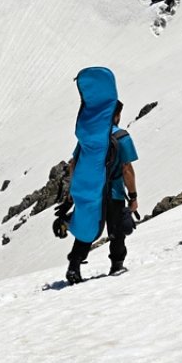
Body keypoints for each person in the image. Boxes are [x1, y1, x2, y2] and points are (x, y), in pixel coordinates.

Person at [63, 101, 139, 283]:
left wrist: (73, 191)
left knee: (88, 227)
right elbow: (127, 169)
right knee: (117, 229)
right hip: (114, 192)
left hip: (91, 192)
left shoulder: (90, 137)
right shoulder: (122, 137)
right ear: (116, 115)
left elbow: (73, 164)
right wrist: (133, 196)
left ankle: (74, 266)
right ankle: (117, 265)